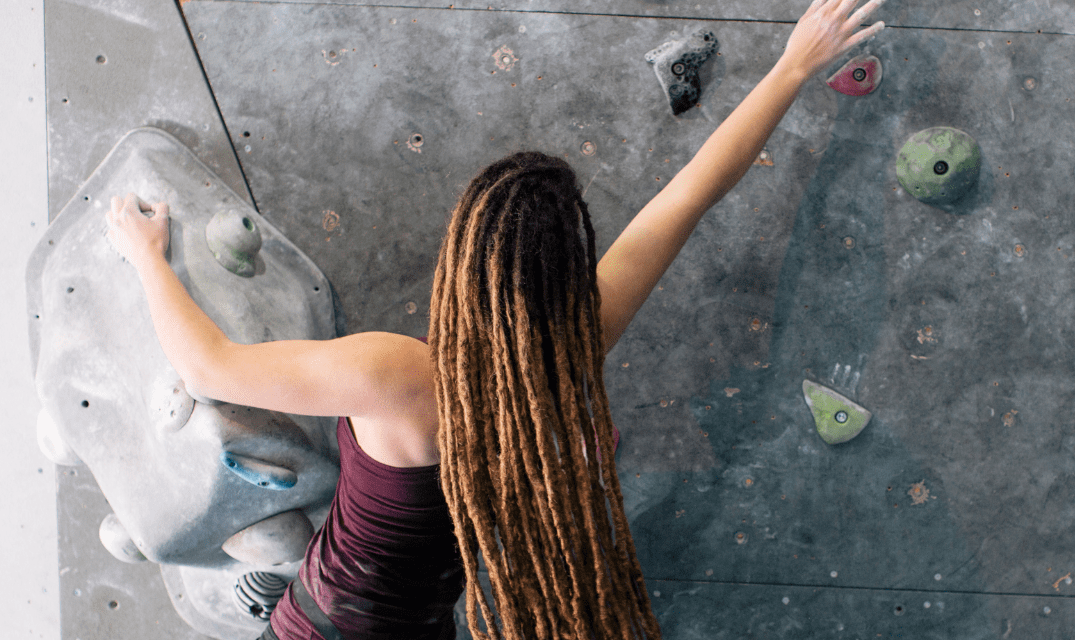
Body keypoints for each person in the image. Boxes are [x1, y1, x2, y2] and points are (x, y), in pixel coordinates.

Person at [104, 1, 886, 638]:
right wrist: (791, 67)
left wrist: (146, 255)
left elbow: (207, 367)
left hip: (329, 626)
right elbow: (688, 195)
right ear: (567, 275)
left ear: (462, 259)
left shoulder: (395, 373)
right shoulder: (574, 347)